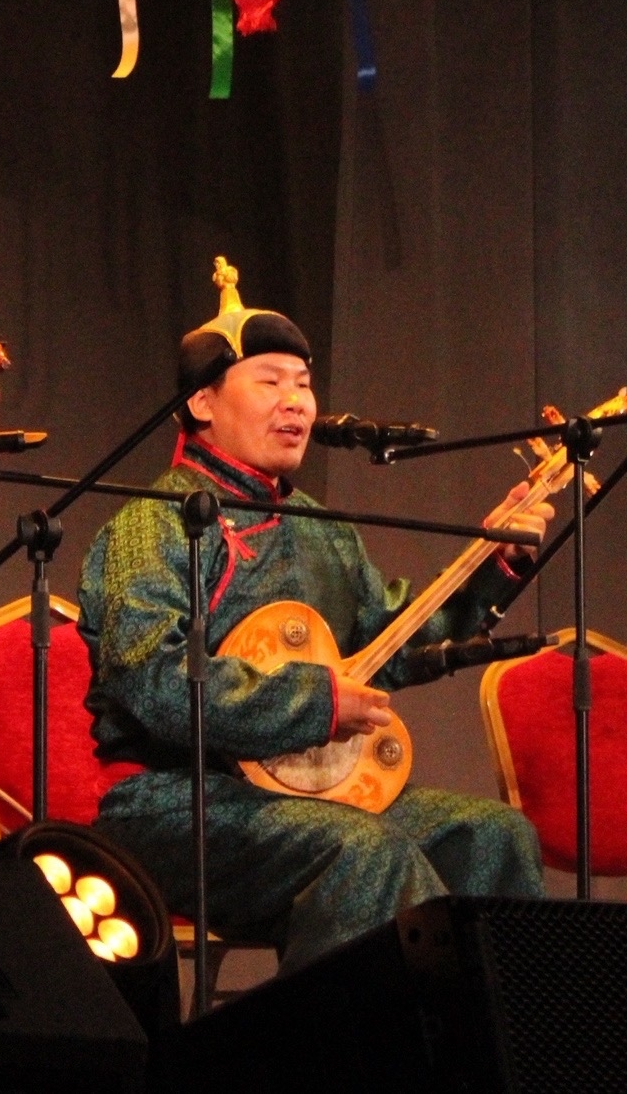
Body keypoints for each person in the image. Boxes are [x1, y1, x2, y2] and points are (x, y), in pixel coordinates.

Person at [77, 259, 553, 969]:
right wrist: (316, 701)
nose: (297, 402)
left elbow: (391, 643)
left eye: (303, 384)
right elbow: (155, 680)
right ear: (202, 403)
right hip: (176, 802)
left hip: (300, 800)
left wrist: (491, 568)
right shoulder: (155, 523)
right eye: (270, 382)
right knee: (364, 853)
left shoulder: (319, 526)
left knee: (492, 837)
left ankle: (490, 1056)